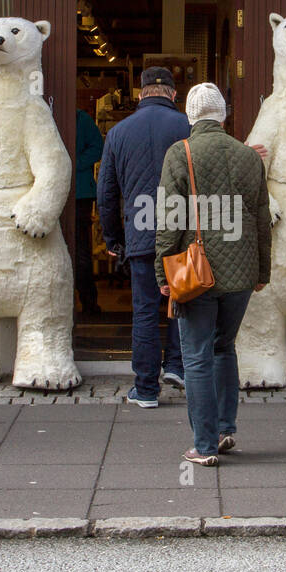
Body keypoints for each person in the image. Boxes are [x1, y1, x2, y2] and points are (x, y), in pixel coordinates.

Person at [155, 83, 270, 466]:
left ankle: (203, 446)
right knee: (224, 347)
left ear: (189, 115)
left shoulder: (180, 153)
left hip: (195, 272)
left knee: (197, 356)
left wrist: (162, 270)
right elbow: (261, 220)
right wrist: (262, 271)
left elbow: (170, 218)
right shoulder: (248, 156)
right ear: (224, 114)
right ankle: (224, 430)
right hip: (241, 273)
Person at [97, 67, 188, 407]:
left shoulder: (119, 132)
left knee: (146, 310)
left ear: (140, 94)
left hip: (140, 232)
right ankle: (178, 366)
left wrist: (112, 238)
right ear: (173, 95)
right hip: (180, 232)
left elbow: (106, 191)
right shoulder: (187, 126)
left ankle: (147, 389)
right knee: (184, 302)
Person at [74, 107, 105, 315]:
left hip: (80, 191)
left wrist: (74, 164)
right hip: (79, 189)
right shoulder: (80, 118)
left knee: (81, 251)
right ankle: (87, 303)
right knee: (81, 250)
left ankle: (88, 303)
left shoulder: (81, 118)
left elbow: (97, 147)